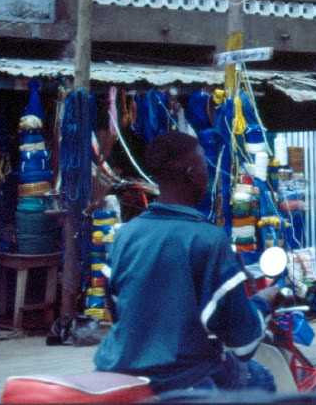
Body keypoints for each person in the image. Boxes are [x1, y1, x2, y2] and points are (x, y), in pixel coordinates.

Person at [94, 131, 280, 394]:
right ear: (192, 173)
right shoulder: (209, 240)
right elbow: (242, 342)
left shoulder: (124, 235)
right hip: (181, 378)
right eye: (205, 165)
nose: (208, 173)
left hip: (118, 370)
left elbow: (118, 314)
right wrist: (264, 302)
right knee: (260, 378)